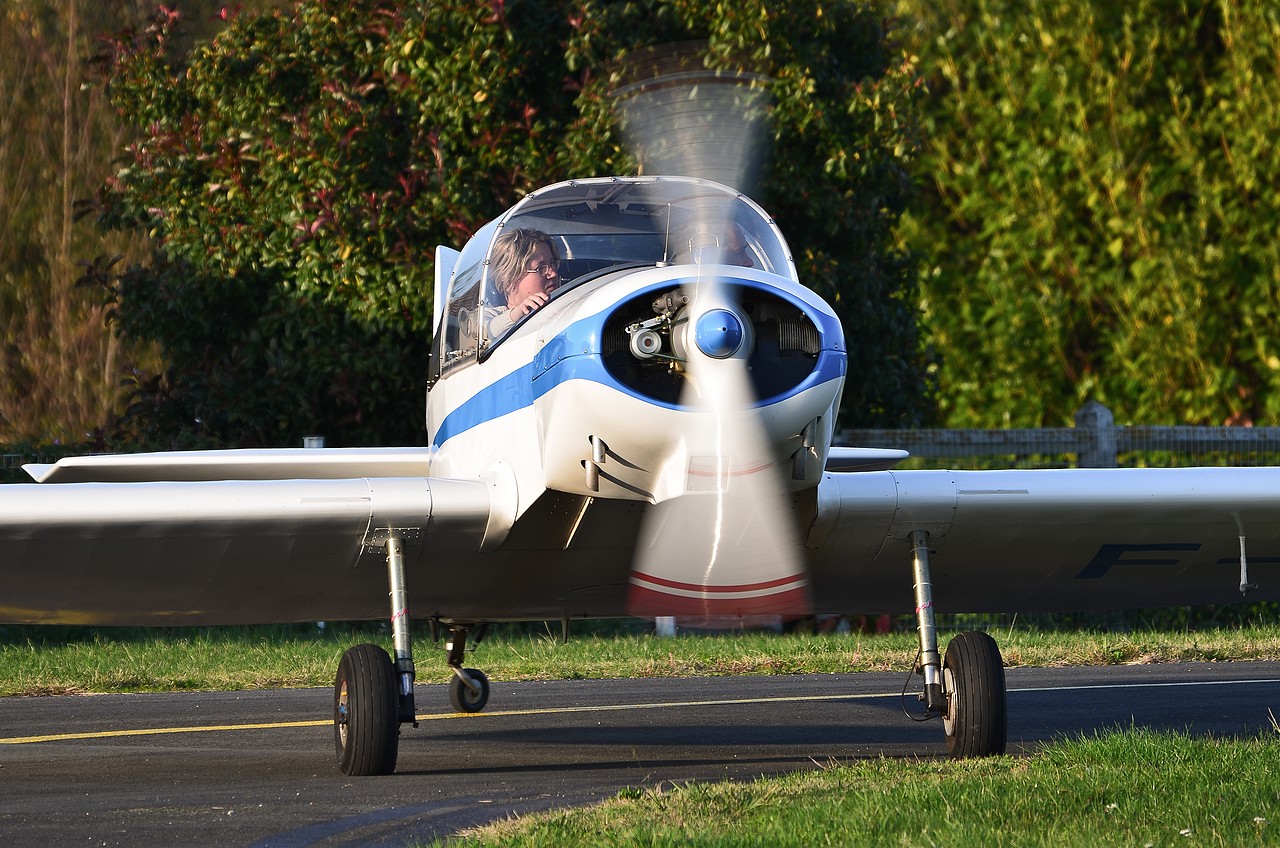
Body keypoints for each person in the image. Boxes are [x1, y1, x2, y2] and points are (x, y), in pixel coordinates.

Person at [486, 227, 561, 337]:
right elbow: (485, 333)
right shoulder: (488, 315)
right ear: (510, 279)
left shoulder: (561, 303)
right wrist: (519, 313)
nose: (553, 273)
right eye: (540, 268)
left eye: (552, 263)